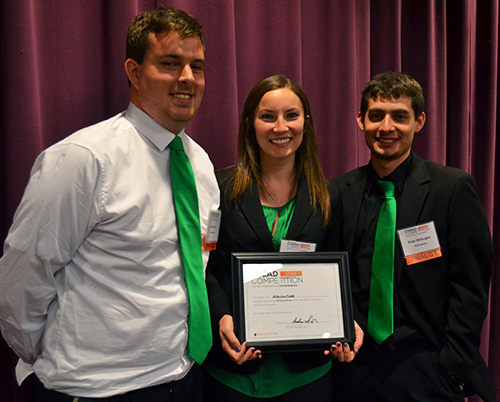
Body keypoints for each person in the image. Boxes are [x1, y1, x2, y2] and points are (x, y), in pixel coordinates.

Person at [0, 6, 219, 401]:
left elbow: (197, 265)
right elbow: (24, 275)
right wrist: (46, 354)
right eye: (170, 63)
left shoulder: (200, 165)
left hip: (183, 379)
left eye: (197, 66)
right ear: (134, 72)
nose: (187, 78)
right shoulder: (82, 159)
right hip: (94, 389)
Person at [330, 71, 496, 402]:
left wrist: (453, 367)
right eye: (376, 116)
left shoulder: (451, 189)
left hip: (427, 369)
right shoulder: (339, 192)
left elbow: (471, 288)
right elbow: (333, 277)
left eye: (400, 117)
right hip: (355, 369)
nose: (387, 127)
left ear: (419, 122)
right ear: (360, 120)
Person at [204, 75, 363, 401]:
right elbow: (205, 263)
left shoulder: (328, 197)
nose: (281, 127)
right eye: (268, 116)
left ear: (306, 121)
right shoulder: (218, 190)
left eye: (291, 115)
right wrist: (220, 315)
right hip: (233, 372)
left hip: (306, 376)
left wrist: (349, 324)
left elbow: (340, 274)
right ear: (250, 123)